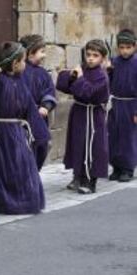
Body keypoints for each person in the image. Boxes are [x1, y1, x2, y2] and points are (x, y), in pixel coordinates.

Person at [0, 41, 49, 214]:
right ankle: (4, 202)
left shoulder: (20, 81)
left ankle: (21, 201)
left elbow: (29, 107)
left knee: (19, 166)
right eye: (22, 61)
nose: (25, 65)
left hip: (16, 132)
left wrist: (41, 135)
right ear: (15, 64)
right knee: (2, 168)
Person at [56, 39, 110, 194]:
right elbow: (63, 85)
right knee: (77, 144)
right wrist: (71, 76)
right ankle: (77, 176)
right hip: (79, 113)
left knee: (93, 147)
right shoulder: (82, 70)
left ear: (103, 58)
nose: (91, 58)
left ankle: (90, 181)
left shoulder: (102, 76)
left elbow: (88, 93)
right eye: (88, 54)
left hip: (94, 116)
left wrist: (79, 79)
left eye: (95, 55)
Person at [20, 34, 57, 170]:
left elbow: (49, 92)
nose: (44, 55)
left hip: (39, 118)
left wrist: (46, 106)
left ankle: (34, 172)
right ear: (30, 53)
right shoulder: (19, 71)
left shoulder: (43, 74)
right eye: (42, 51)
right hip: (22, 120)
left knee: (41, 145)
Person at [107, 29, 137, 182]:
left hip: (131, 105)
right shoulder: (114, 62)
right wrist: (108, 70)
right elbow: (108, 81)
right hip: (116, 103)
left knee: (128, 138)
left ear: (134, 46)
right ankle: (116, 167)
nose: (124, 51)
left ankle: (128, 168)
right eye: (122, 47)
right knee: (114, 136)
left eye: (128, 47)